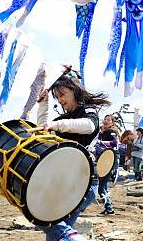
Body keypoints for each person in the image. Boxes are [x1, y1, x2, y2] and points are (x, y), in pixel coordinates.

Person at [36, 66, 108, 241]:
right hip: (67, 182)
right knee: (55, 230)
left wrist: (57, 125)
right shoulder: (64, 118)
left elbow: (89, 126)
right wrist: (43, 104)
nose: (60, 100)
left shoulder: (88, 111)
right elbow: (43, 131)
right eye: (57, 97)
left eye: (62, 95)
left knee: (44, 217)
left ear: (74, 90)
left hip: (84, 183)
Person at [96, 114, 119, 215]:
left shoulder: (111, 131)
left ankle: (109, 208)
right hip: (103, 160)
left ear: (112, 123)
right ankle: (109, 208)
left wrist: (101, 143)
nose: (105, 120)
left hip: (111, 160)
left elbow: (114, 144)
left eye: (108, 119)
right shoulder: (102, 133)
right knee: (103, 186)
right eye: (105, 119)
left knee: (101, 186)